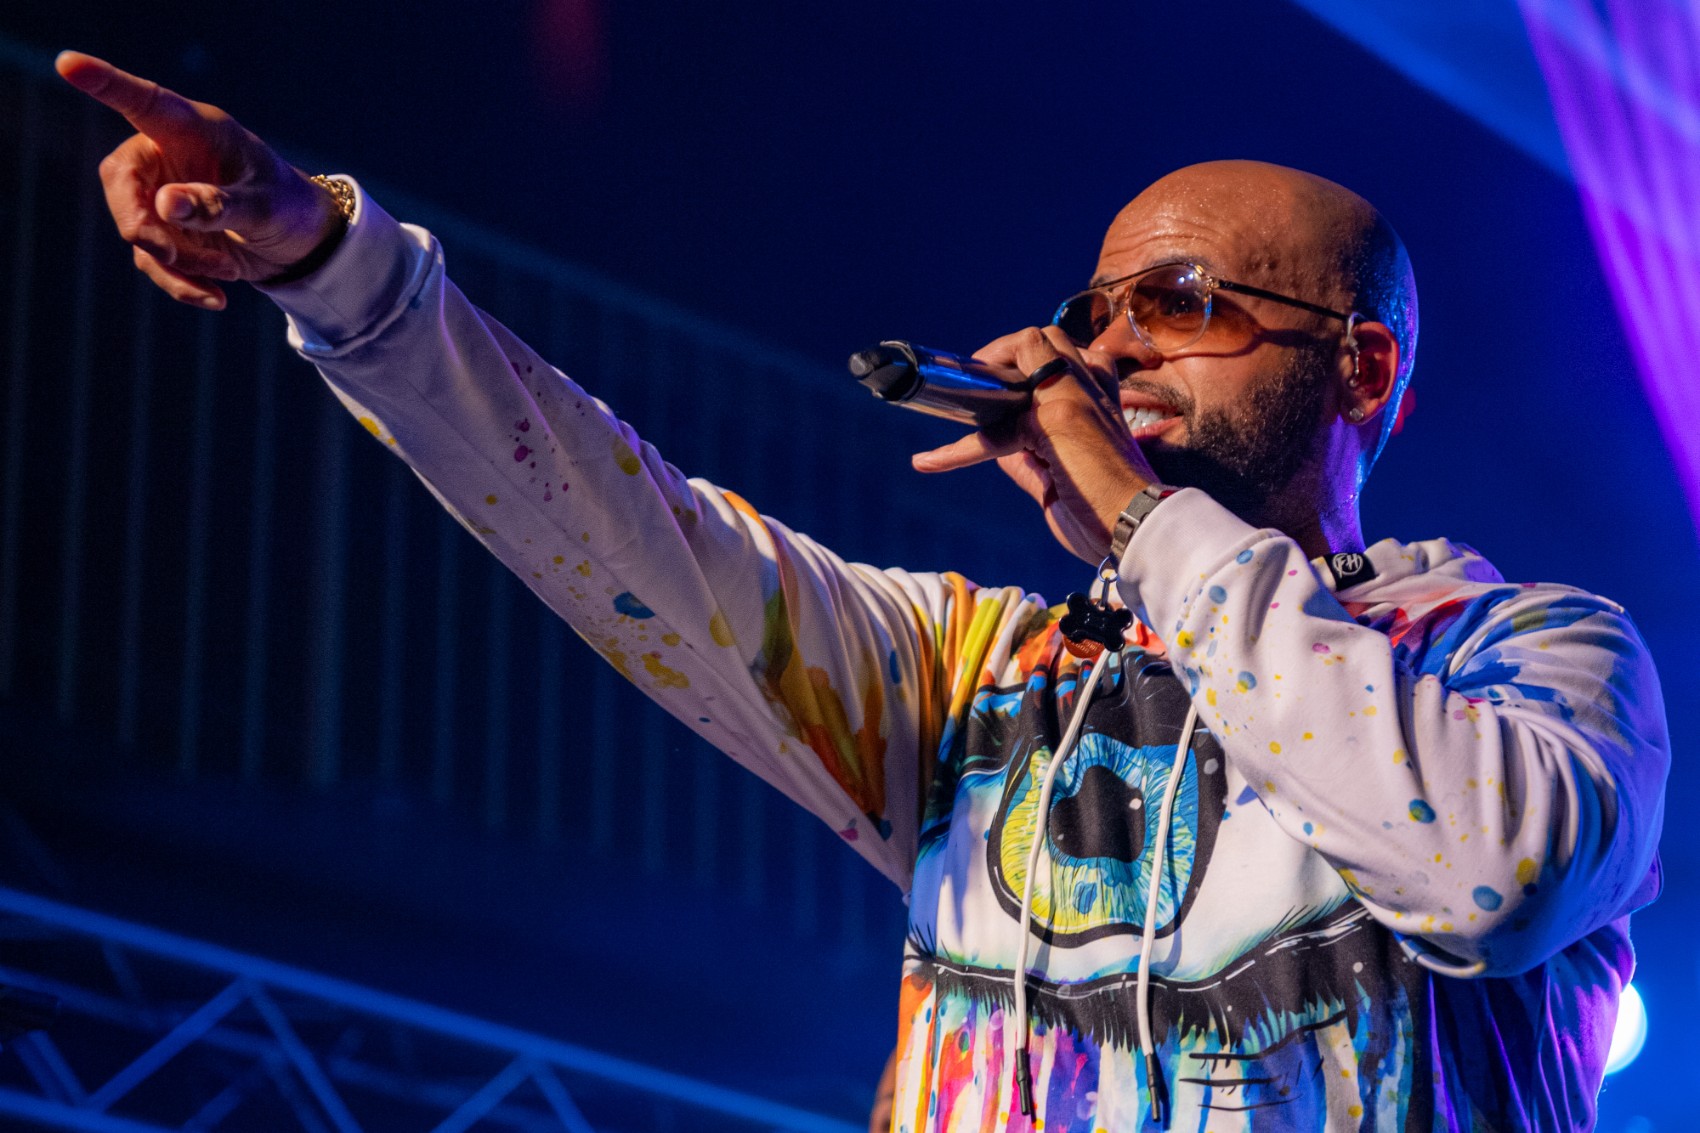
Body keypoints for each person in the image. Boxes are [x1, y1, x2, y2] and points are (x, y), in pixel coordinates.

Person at [58, 49, 1669, 1132]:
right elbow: (622, 531)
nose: (1112, 350)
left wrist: (1134, 516)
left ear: (1360, 369)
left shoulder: (1530, 655)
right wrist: (333, 270)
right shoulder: (982, 676)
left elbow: (1489, 871)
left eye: (1181, 302)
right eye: (1093, 314)